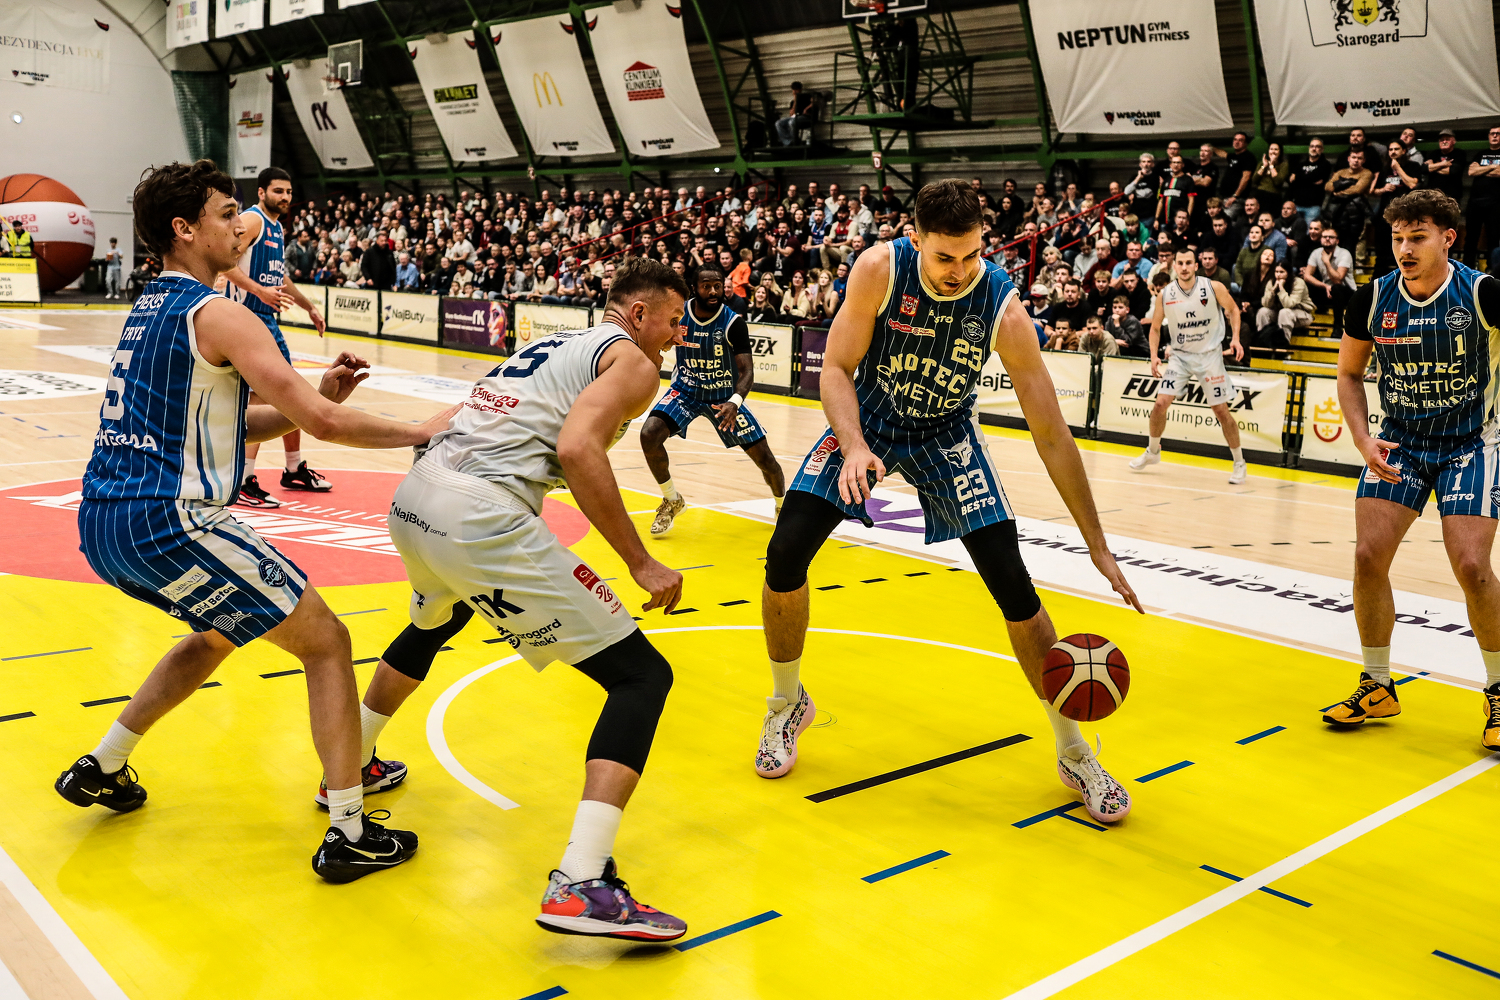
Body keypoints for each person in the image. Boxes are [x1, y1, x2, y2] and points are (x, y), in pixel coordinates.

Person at [54, 159, 454, 883]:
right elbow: (323, 425)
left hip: (105, 522)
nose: (239, 226)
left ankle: (104, 765)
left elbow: (231, 425)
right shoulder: (220, 313)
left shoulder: (150, 308)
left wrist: (317, 392)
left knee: (217, 633)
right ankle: (349, 831)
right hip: (172, 518)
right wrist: (420, 430)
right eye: (223, 213)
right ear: (184, 230)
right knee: (328, 642)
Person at [756, 179, 1144, 826]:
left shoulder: (1003, 308)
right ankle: (786, 705)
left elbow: (1052, 433)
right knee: (785, 552)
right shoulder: (879, 269)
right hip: (871, 421)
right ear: (915, 240)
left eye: (971, 255)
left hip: (947, 434)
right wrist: (852, 445)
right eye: (944, 257)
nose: (959, 271)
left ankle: (1075, 752)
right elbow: (836, 368)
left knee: (1014, 586)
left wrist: (1097, 545)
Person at [380, 255, 694, 938]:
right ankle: (581, 882)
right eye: (674, 320)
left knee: (436, 623)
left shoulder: (554, 343)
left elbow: (455, 417)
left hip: (416, 496)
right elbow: (579, 450)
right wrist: (639, 562)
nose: (679, 334)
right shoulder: (633, 363)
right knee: (641, 676)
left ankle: (350, 768)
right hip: (479, 512)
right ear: (639, 313)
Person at [1323, 188, 1500, 753]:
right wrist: (1362, 437)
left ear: (1448, 239)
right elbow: (1349, 374)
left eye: (1417, 237)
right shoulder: (1372, 299)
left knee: (1471, 565)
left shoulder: (1484, 294)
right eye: (1398, 238)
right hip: (1400, 441)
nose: (1404, 248)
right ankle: (1377, 685)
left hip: (1472, 442)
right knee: (1366, 557)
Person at [640, 265, 786, 536]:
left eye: (718, 285)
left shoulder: (733, 323)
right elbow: (655, 338)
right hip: (686, 391)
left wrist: (735, 402)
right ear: (694, 288)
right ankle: (672, 499)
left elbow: (747, 371)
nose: (713, 291)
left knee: (766, 460)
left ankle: (782, 507)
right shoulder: (678, 314)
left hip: (723, 398)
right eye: (706, 286)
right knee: (649, 434)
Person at [220, 167, 331, 508]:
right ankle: (243, 479)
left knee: (289, 391)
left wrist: (309, 308)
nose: (285, 197)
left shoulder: (277, 227)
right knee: (262, 398)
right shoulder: (252, 221)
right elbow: (225, 263)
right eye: (278, 191)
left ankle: (293, 468)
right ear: (262, 192)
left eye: (288, 191)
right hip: (247, 317)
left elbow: (280, 277)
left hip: (266, 319)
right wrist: (258, 291)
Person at [1129, 246, 1247, 484]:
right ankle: (1153, 451)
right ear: (1175, 266)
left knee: (1221, 411)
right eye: (1180, 263)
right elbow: (1154, 328)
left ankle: (1239, 463)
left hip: (1209, 357)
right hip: (1180, 357)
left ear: (1196, 265)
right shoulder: (1166, 294)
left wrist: (1235, 338)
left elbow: (1233, 310)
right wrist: (1153, 355)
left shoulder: (1213, 287)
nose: (1184, 268)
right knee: (1160, 404)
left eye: (1188, 263)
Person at [1303, 226, 1355, 335]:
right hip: (1327, 289)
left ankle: (1338, 328)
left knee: (1336, 288)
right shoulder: (1316, 253)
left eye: (1331, 237)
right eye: (1324, 237)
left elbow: (1338, 279)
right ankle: (1304, 324)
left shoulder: (1344, 253)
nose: (1327, 239)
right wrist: (1325, 286)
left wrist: (1327, 262)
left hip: (1347, 292)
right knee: (1304, 285)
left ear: (1337, 240)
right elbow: (1307, 276)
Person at [1255, 260, 1313, 352]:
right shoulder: (1271, 282)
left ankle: (1283, 346)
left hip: (1302, 314)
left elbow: (1289, 304)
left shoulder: (1298, 283)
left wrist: (1281, 289)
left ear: (1288, 273)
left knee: (1285, 312)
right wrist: (1273, 290)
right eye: (1276, 272)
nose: (1278, 275)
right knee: (1263, 311)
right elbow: (1265, 304)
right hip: (1279, 312)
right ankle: (1263, 342)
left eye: (1281, 272)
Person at [1464, 124, 1500, 267]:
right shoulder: (1481, 154)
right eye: (1492, 133)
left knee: (1494, 238)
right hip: (1475, 202)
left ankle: (1493, 271)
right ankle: (1467, 268)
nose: (1495, 136)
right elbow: (1471, 172)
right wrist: (1492, 167)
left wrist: (1481, 169)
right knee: (1471, 238)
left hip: (1496, 203)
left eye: (1498, 133)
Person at [1289, 138, 1331, 224]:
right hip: (1297, 205)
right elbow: (1292, 182)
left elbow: (1314, 177)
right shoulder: (1300, 164)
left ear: (1322, 149)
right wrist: (1311, 180)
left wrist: (1298, 177)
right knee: (1296, 230)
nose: (1314, 148)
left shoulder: (1325, 165)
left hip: (1313, 207)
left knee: (1311, 230)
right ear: (1309, 148)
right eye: (1312, 146)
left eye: (1317, 146)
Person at [774, 81, 816, 147]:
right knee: (778, 123)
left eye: (796, 89)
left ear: (800, 89)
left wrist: (806, 109)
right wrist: (795, 99)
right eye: (794, 90)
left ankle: (795, 141)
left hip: (805, 117)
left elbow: (814, 102)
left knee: (792, 122)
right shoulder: (793, 102)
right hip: (795, 117)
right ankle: (788, 142)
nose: (795, 91)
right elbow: (791, 114)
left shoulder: (807, 97)